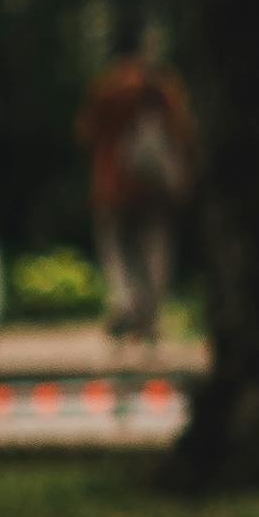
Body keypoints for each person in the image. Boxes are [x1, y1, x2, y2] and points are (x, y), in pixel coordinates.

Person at [77, 38, 199, 352]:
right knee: (154, 252)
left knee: (118, 253)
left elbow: (85, 131)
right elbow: (183, 132)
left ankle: (126, 307)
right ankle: (147, 316)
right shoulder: (162, 88)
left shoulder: (108, 88)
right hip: (154, 190)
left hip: (112, 186)